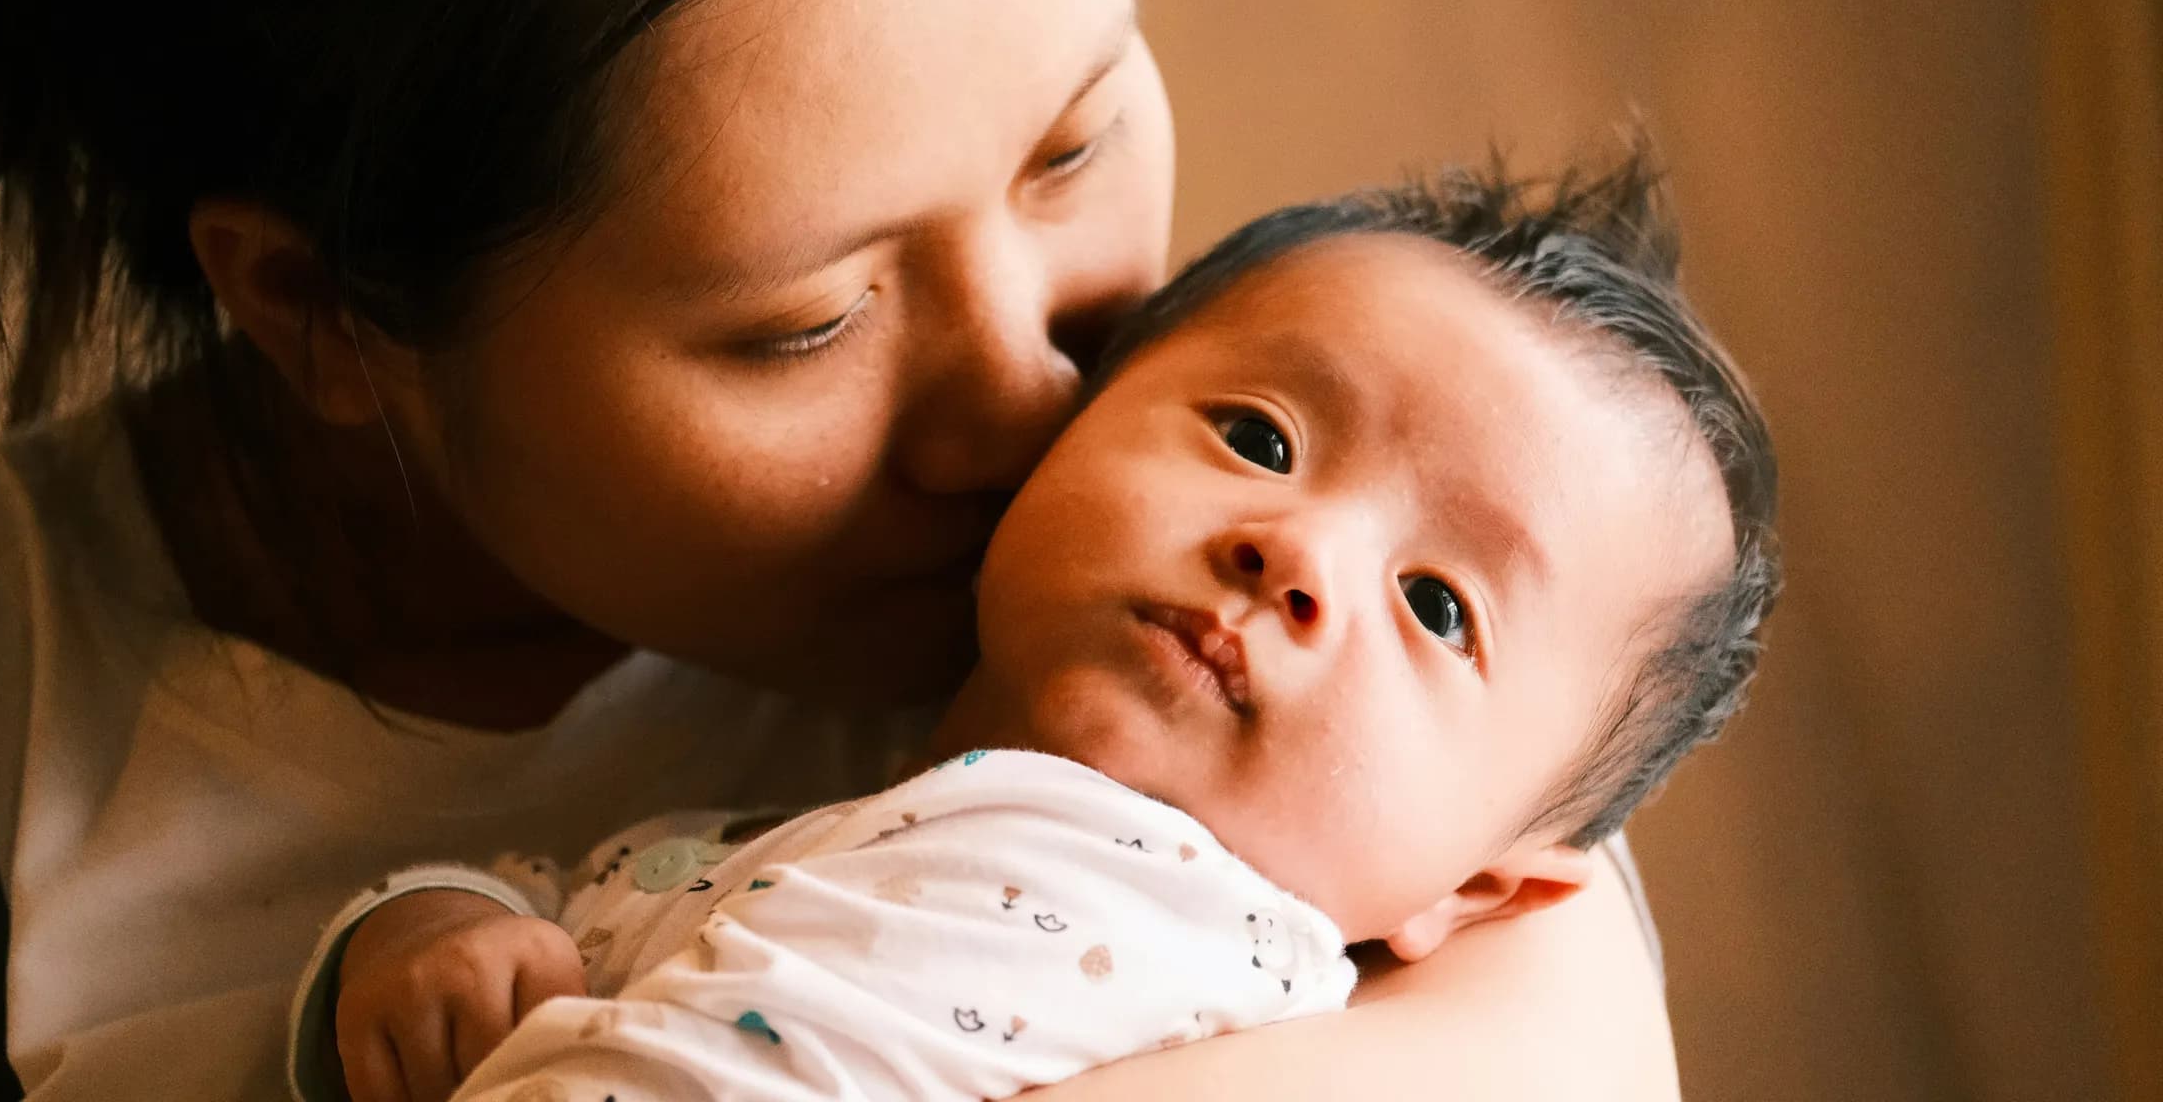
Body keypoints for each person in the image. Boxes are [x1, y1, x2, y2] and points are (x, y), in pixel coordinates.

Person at [0, 0, 1686, 1098]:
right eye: (809, 322)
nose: (1028, 397)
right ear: (321, 310)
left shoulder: (1287, 685)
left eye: (1077, 135)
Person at [296, 155, 1781, 1102]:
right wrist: (428, 933)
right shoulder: (846, 816)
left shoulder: (1176, 942)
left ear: (1481, 892)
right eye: (1260, 439)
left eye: (1439, 606)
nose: (1297, 549)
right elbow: (578, 925)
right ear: (1068, 418)